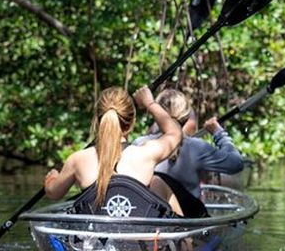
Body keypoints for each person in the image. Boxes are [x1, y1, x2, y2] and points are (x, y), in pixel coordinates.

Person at [43, 85, 182, 216]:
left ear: (97, 122)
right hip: (136, 237)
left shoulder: (78, 160)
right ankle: (186, 240)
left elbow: (53, 193)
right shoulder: (146, 154)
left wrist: (52, 177)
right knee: (158, 182)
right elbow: (175, 133)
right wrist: (150, 104)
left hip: (93, 239)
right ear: (132, 123)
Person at [136, 89, 245, 217]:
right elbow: (236, 163)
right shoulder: (197, 147)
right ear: (187, 117)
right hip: (187, 222)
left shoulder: (139, 144)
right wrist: (218, 133)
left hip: (152, 217)